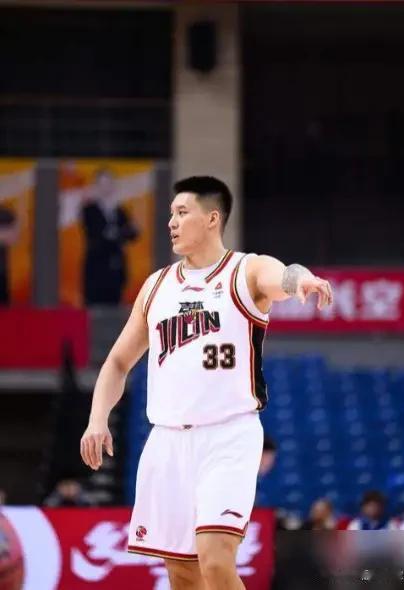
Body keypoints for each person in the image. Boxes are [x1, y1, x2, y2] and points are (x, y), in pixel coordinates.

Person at [80, 176, 333, 590]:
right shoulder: (156, 286)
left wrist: (299, 280)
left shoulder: (244, 270)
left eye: (182, 213)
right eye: (171, 214)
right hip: (167, 440)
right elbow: (118, 362)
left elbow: (281, 274)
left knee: (215, 561)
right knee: (183, 574)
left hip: (228, 435)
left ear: (212, 219)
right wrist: (97, 419)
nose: (171, 222)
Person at [81, 168, 139, 305]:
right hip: (96, 270)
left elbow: (133, 233)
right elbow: (96, 235)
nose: (105, 188)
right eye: (102, 184)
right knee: (95, 309)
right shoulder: (89, 210)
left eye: (108, 184)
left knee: (115, 307)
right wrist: (119, 233)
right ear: (96, 186)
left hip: (116, 270)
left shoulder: (120, 211)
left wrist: (115, 233)